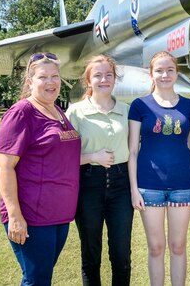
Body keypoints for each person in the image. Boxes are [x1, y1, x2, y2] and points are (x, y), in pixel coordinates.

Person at [0, 52, 81, 286]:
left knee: (42, 277)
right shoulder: (22, 113)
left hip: (59, 215)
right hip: (32, 215)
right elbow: (3, 166)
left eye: (55, 76)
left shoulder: (57, 111)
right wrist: (15, 216)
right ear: (30, 81)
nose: (51, 82)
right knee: (37, 280)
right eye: (43, 77)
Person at [128, 51, 190, 286]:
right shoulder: (139, 106)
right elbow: (133, 151)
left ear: (176, 72)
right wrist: (134, 190)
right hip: (149, 187)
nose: (165, 74)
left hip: (183, 186)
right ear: (151, 74)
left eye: (170, 69)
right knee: (156, 247)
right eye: (159, 70)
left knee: (178, 246)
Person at [65, 55, 133, 286]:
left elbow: (136, 149)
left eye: (109, 75)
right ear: (88, 80)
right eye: (97, 75)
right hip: (88, 185)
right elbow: (62, 156)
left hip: (121, 186)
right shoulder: (75, 112)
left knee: (121, 255)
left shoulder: (127, 111)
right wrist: (92, 156)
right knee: (91, 256)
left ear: (115, 79)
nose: (104, 80)